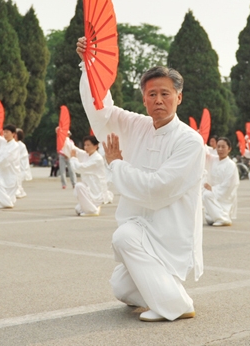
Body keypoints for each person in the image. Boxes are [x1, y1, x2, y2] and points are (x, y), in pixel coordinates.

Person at [77, 37, 204, 322]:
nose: (158, 100)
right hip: (141, 226)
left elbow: (159, 189)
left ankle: (176, 304)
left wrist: (117, 165)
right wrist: (89, 65)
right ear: (144, 98)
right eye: (152, 94)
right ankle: (161, 289)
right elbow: (101, 110)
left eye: (166, 94)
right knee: (121, 288)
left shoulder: (190, 141)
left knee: (124, 236)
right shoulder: (136, 125)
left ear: (179, 97)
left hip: (169, 229)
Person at [69, 135, 113, 217]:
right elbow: (74, 149)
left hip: (96, 192)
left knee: (78, 186)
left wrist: (73, 159)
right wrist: (64, 137)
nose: (86, 147)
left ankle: (92, 210)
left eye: (88, 145)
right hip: (90, 191)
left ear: (95, 146)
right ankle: (93, 207)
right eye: (85, 145)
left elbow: (80, 168)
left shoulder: (97, 158)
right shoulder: (87, 155)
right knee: (78, 209)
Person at [202, 137, 240, 226]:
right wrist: (201, 138)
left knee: (206, 194)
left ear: (229, 149)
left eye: (223, 147)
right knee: (209, 219)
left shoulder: (231, 165)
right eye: (218, 146)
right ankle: (218, 216)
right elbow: (204, 152)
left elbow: (229, 185)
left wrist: (213, 189)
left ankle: (223, 218)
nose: (220, 149)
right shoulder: (213, 159)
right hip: (213, 194)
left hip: (224, 196)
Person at [0, 124, 21, 209]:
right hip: (3, 172)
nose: (5, 134)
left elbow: (6, 159)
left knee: (5, 187)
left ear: (13, 134)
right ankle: (7, 202)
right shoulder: (3, 142)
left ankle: (7, 203)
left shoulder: (15, 146)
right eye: (4, 132)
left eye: (7, 132)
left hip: (12, 172)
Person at [15, 129, 32, 199]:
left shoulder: (20, 145)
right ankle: (21, 192)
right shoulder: (14, 144)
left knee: (17, 180)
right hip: (18, 167)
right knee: (17, 180)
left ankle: (18, 192)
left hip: (22, 167)